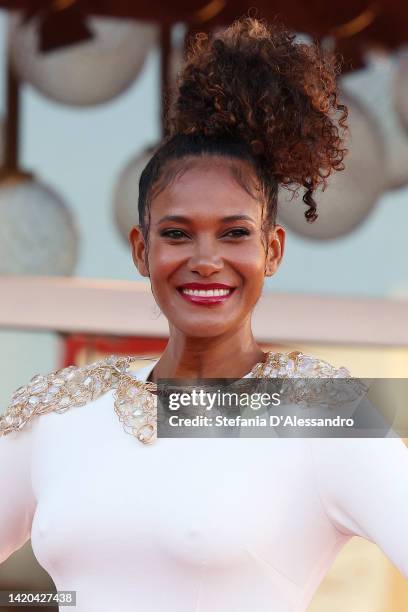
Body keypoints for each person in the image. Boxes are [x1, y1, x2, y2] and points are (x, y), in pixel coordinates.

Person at [1, 16, 407, 612]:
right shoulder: (60, 410)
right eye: (177, 233)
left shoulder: (324, 414)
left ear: (272, 250)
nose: (207, 260)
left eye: (235, 233)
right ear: (143, 250)